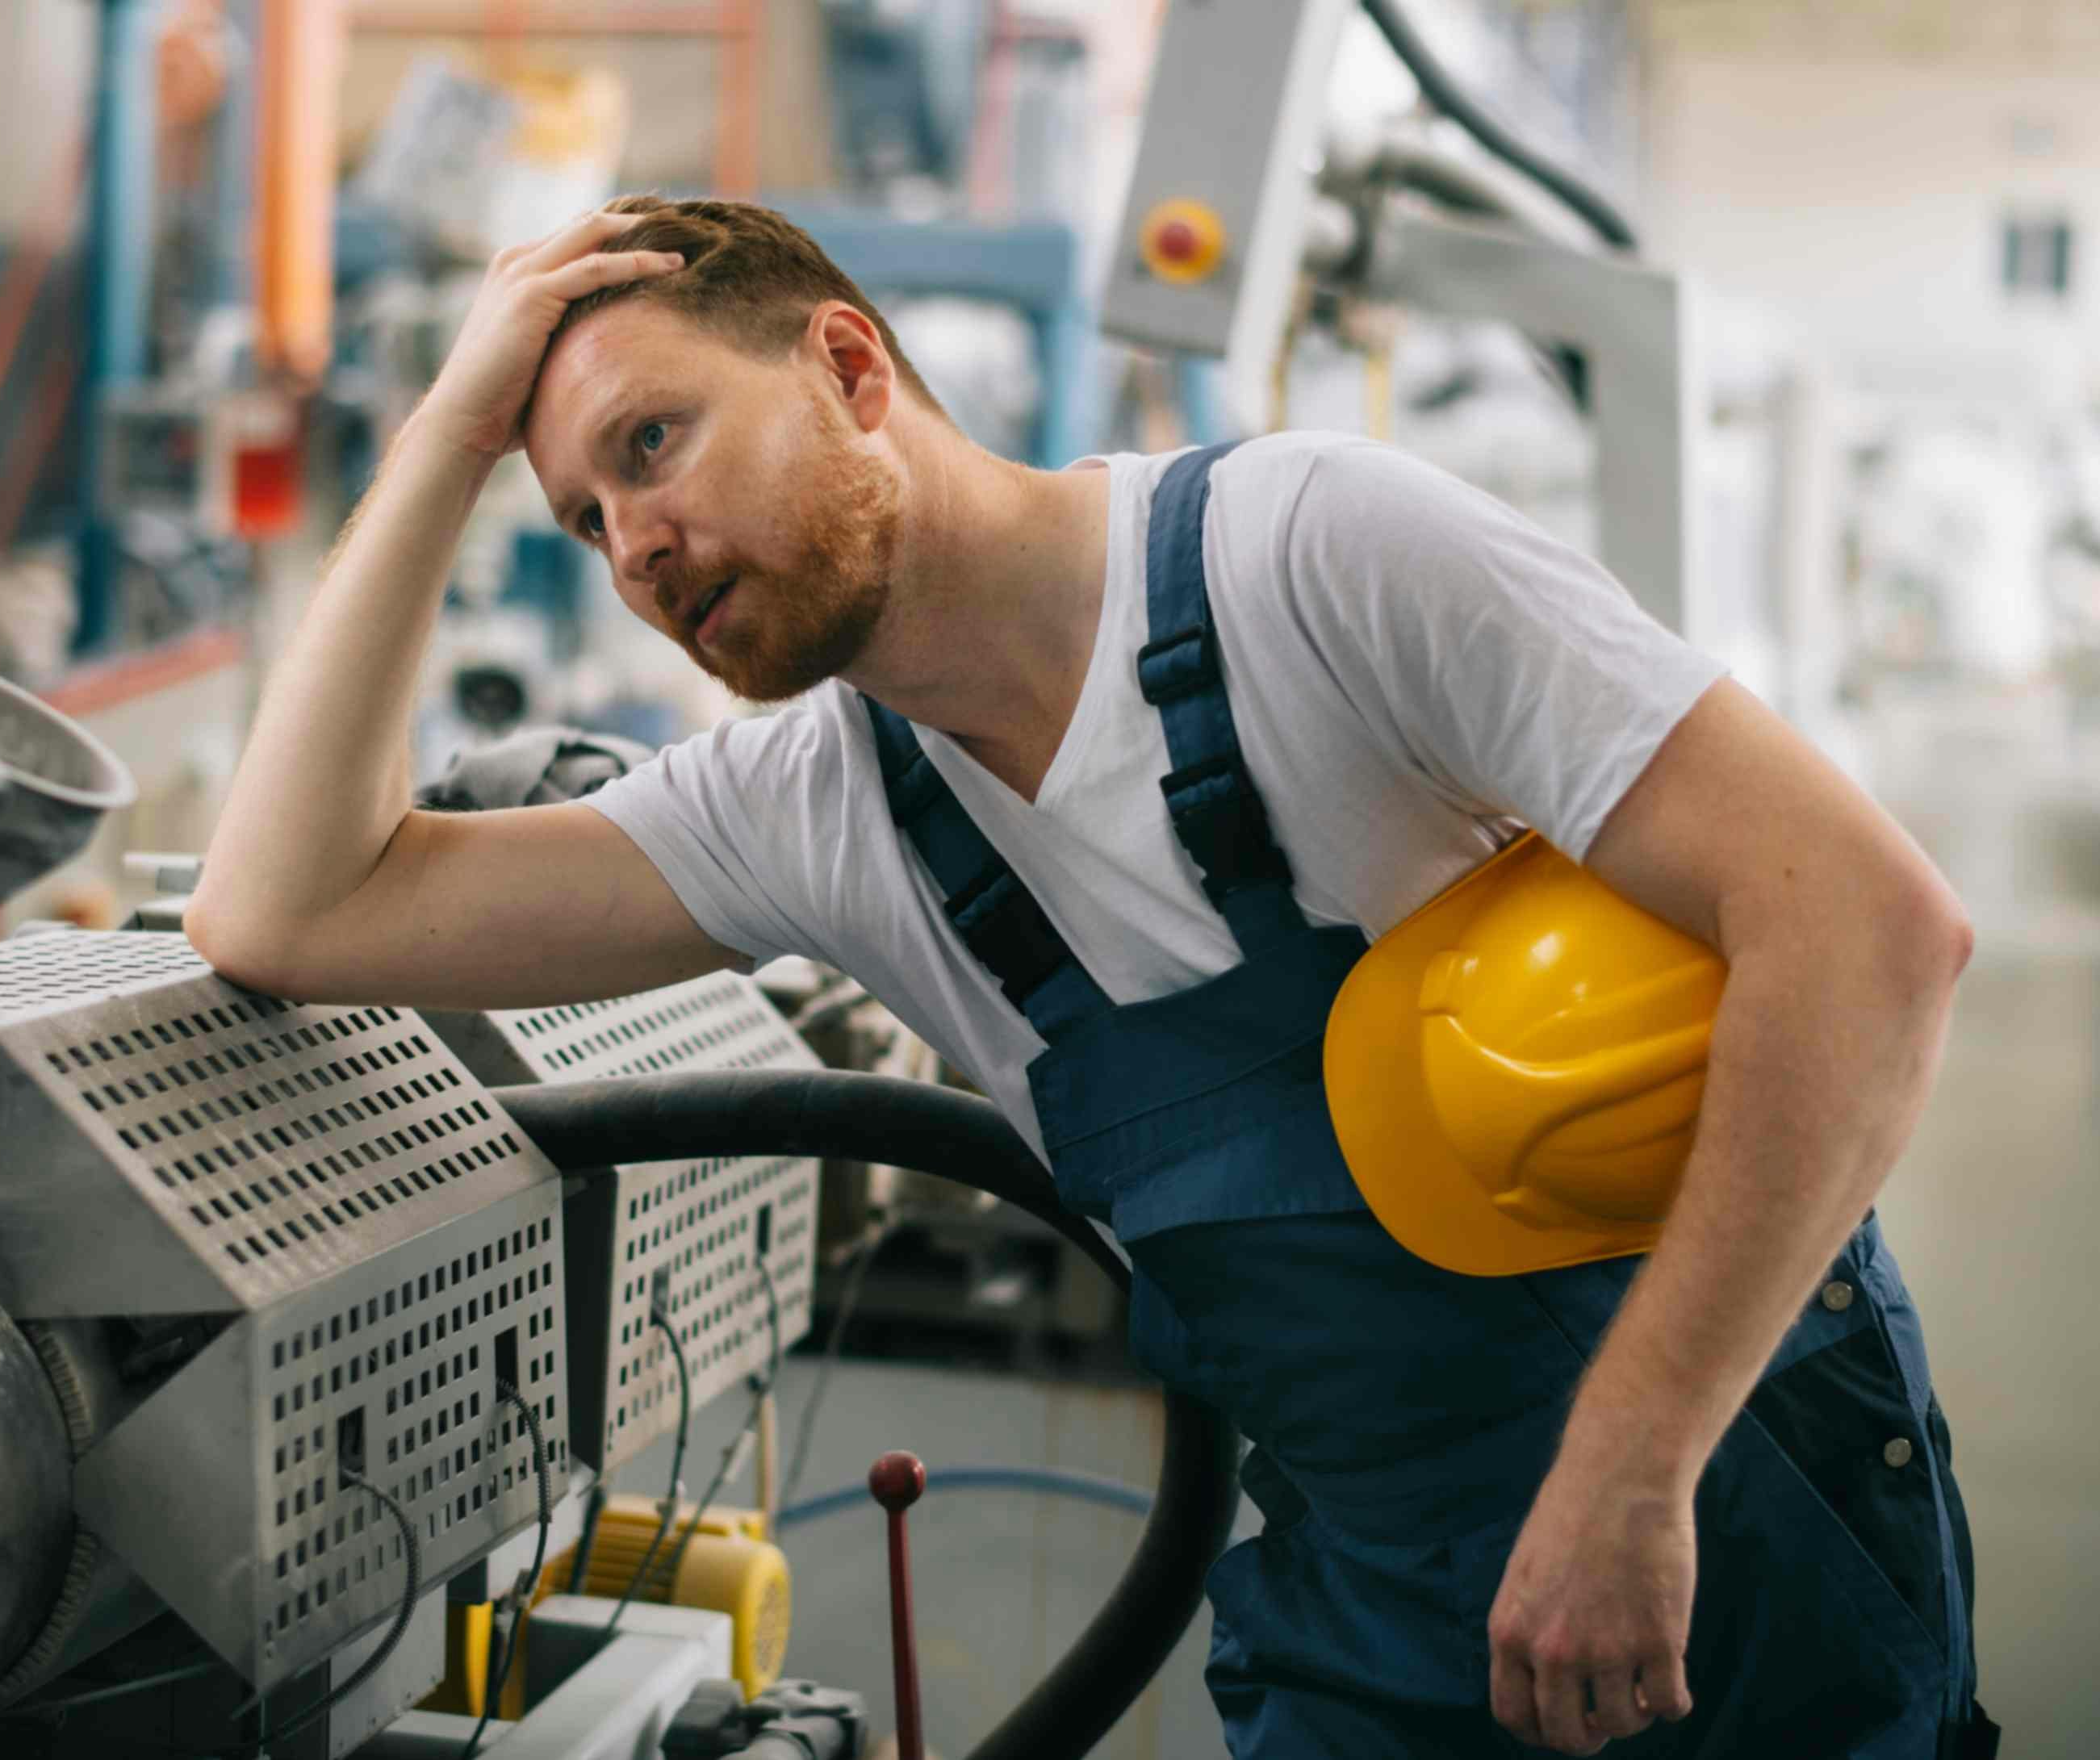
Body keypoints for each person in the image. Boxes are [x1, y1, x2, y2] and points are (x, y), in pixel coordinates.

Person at [189, 198, 1994, 1758]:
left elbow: (1863, 928)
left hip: (1731, 1503)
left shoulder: (1313, 555)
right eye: (588, 519)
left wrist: (1627, 1471)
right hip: (1382, 1598)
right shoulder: (822, 812)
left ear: (845, 364)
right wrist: (438, 432)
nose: (635, 547)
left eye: (651, 443)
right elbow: (289, 910)